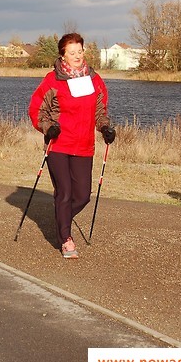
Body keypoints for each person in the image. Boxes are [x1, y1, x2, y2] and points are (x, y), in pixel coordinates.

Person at [28, 33, 116, 259]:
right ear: (63, 56)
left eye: (80, 51)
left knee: (83, 195)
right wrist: (48, 128)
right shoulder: (52, 80)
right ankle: (66, 240)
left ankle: (61, 219)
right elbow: (37, 110)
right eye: (72, 52)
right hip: (58, 144)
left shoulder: (94, 80)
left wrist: (105, 127)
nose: (77, 56)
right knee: (65, 192)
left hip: (84, 145)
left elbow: (100, 111)